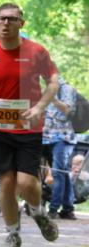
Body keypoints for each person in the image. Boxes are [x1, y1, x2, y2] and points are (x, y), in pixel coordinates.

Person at [0, 3, 59, 247]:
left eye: (11, 19)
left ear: (22, 23)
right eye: (1, 19)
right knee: (6, 183)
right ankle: (12, 235)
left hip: (29, 126)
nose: (6, 24)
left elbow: (52, 81)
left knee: (27, 182)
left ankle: (38, 212)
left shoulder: (37, 51)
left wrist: (40, 107)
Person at [42, 78, 78, 219]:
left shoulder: (65, 88)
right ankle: (68, 208)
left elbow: (68, 110)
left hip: (62, 137)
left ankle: (53, 209)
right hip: (45, 137)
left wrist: (53, 99)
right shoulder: (42, 87)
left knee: (58, 172)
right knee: (62, 173)